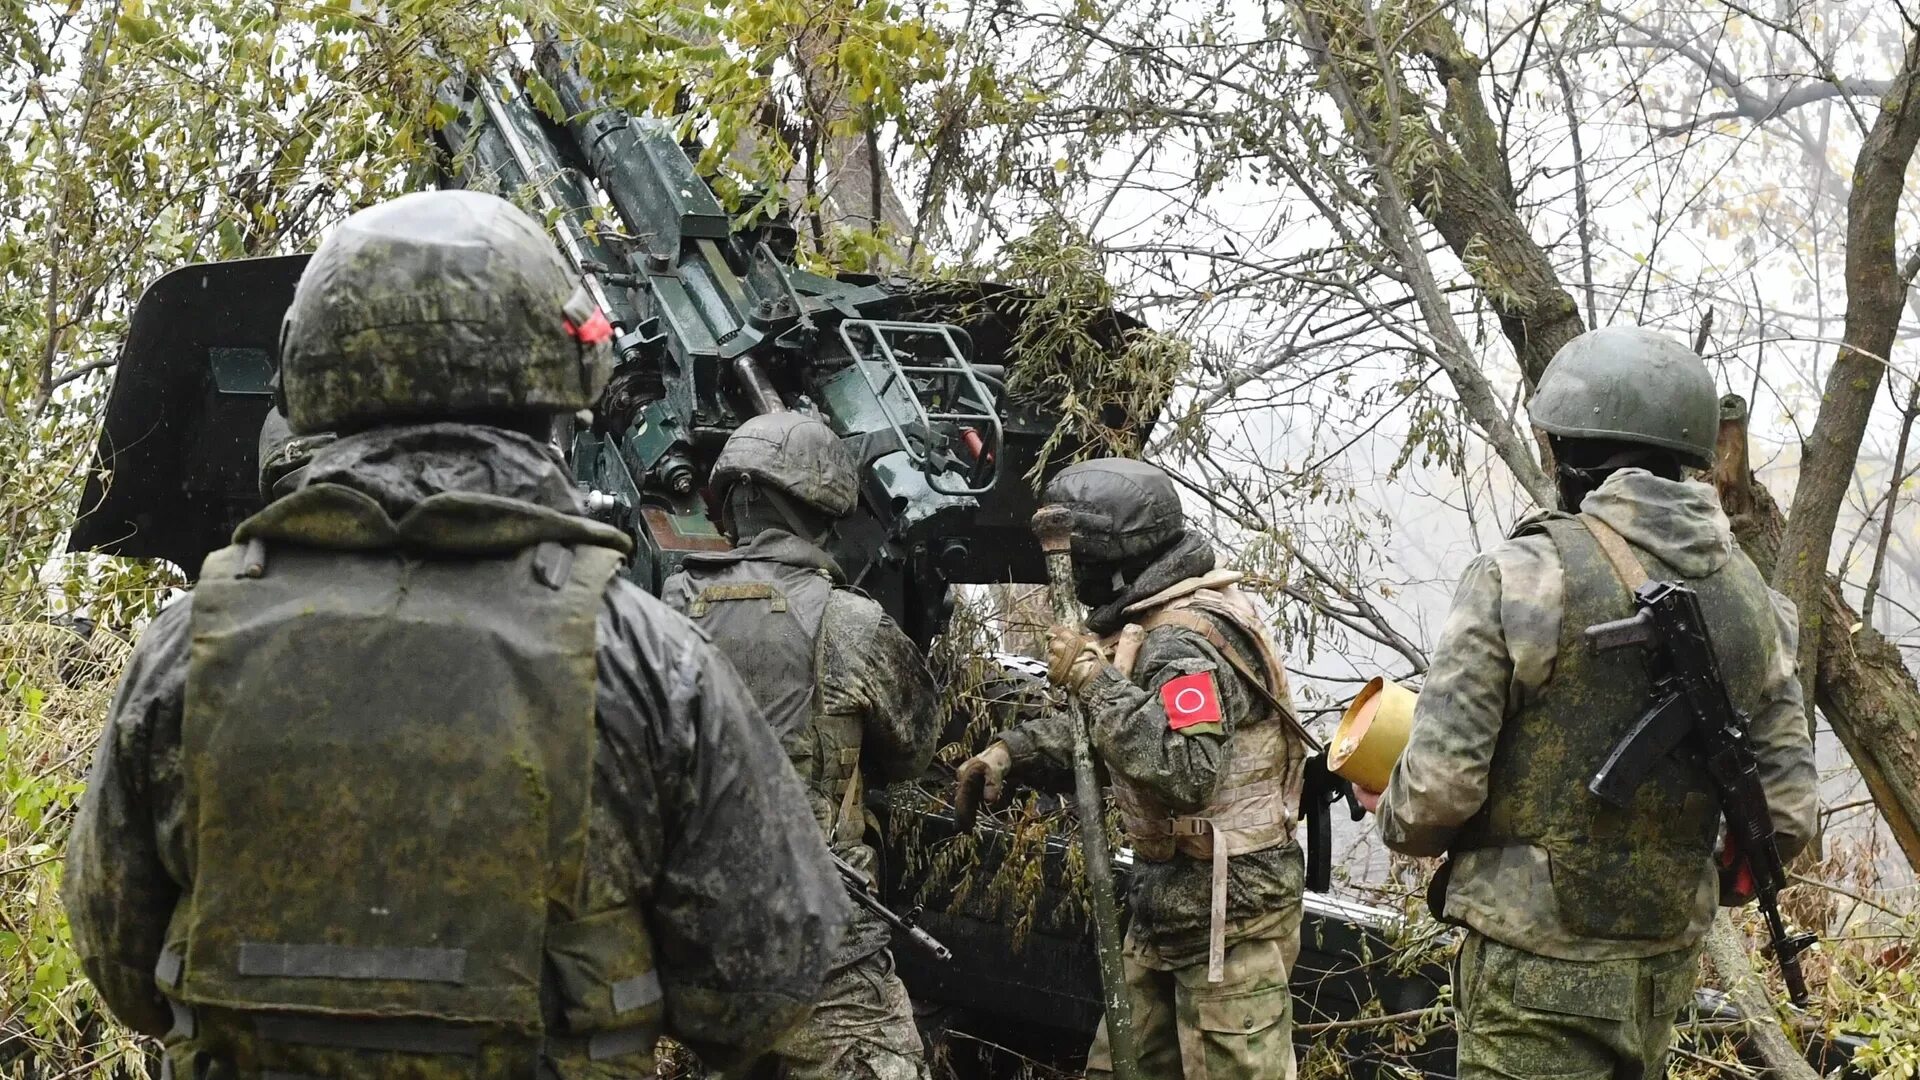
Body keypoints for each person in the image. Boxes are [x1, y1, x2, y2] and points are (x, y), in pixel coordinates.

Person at [63, 189, 848, 1080]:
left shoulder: (185, 649)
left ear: (311, 384)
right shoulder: (647, 659)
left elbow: (117, 961)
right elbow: (761, 984)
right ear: (558, 389)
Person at [1359, 325, 1818, 1079]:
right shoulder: (1759, 602)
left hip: (1535, 965)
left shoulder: (1523, 575)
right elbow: (1789, 815)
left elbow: (1434, 796)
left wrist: (1392, 802)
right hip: (1666, 957)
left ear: (1572, 454)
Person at [953, 458, 1311, 1080]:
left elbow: (1184, 766)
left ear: (1111, 562)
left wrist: (1093, 681)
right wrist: (1014, 753)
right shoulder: (1148, 625)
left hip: (1227, 920)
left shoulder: (1182, 643)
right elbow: (1118, 736)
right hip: (1170, 910)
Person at [661, 412, 941, 1080]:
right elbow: (914, 750)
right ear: (825, 506)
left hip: (701, 941)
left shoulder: (667, 606)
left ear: (729, 501)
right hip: (823, 949)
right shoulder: (849, 620)